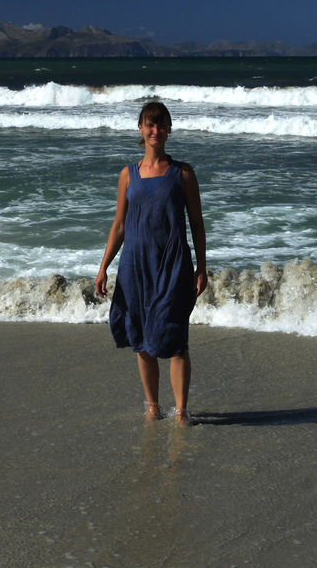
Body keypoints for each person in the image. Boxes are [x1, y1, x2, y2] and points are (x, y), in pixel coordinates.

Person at [95, 101, 207, 426]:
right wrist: (103, 267)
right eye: (149, 124)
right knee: (140, 339)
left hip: (173, 265)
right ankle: (153, 406)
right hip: (135, 266)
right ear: (140, 129)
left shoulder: (182, 174)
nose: (155, 131)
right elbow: (118, 226)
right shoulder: (127, 176)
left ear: (168, 130)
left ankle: (182, 410)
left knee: (174, 339)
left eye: (161, 125)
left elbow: (197, 224)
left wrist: (202, 266)